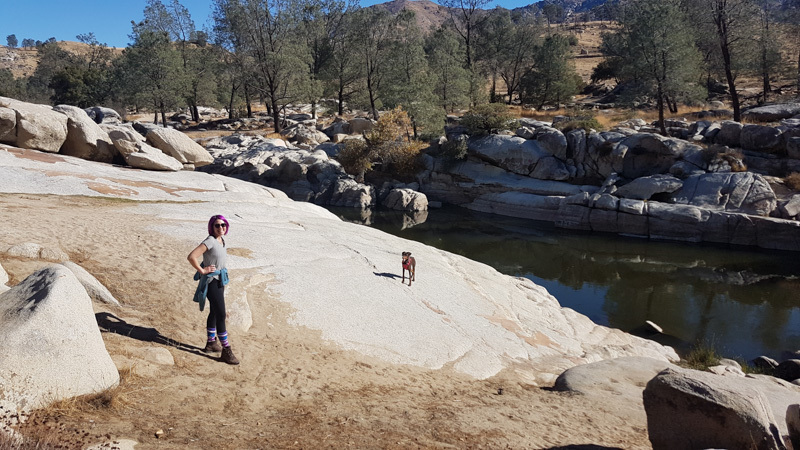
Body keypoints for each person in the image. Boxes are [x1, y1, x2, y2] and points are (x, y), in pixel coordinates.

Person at [187, 215, 239, 365]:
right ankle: (226, 350)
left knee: (215, 312)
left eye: (223, 225)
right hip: (211, 282)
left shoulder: (221, 240)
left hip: (220, 281)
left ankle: (211, 343)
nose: (221, 228)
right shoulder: (210, 240)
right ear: (212, 227)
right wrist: (203, 270)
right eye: (217, 225)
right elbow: (191, 256)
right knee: (221, 314)